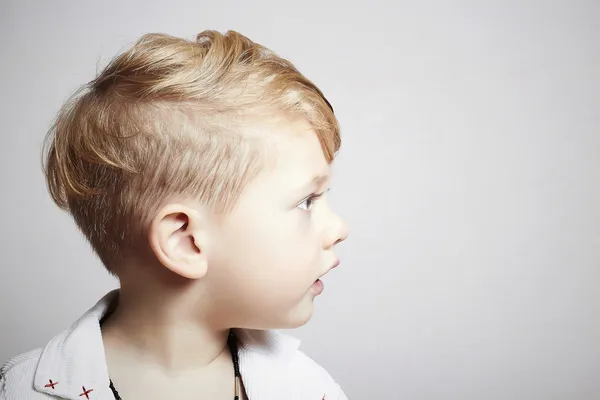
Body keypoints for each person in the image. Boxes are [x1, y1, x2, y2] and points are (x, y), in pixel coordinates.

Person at [0, 29, 349, 399]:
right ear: (185, 241)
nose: (339, 228)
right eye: (306, 201)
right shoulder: (22, 390)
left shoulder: (310, 390)